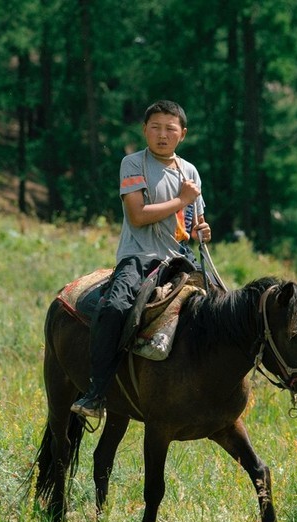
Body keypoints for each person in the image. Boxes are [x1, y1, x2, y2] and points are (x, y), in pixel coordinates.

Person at [71, 100, 212, 420]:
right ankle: (96, 391)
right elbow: (137, 216)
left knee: (224, 310)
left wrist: (202, 229)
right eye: (156, 128)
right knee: (115, 308)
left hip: (182, 260)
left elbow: (195, 224)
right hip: (140, 258)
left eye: (170, 129)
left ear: (183, 134)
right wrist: (181, 199)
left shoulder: (190, 171)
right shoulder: (133, 163)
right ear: (144, 130)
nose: (163, 135)